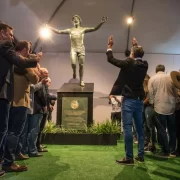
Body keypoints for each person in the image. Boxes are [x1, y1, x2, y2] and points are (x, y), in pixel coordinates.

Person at [0, 22, 41, 176]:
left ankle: (7, 160)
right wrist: (34, 60)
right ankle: (8, 161)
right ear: (2, 33)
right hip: (11, 99)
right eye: (10, 34)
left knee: (6, 131)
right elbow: (34, 78)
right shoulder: (6, 47)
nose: (12, 38)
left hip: (10, 98)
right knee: (10, 132)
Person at [106, 36, 148, 165]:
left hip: (129, 100)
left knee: (127, 128)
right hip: (140, 100)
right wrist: (135, 46)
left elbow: (111, 59)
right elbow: (138, 55)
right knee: (140, 129)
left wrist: (109, 47)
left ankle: (129, 157)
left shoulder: (129, 63)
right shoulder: (145, 64)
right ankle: (140, 155)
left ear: (132, 54)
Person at [47, 15, 107, 87]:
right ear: (72, 22)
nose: (75, 20)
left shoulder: (83, 29)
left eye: (77, 19)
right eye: (74, 20)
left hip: (81, 48)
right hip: (73, 49)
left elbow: (94, 28)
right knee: (73, 64)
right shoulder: (70, 30)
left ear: (79, 21)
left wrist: (101, 23)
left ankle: (81, 80)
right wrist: (49, 27)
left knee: (81, 65)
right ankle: (74, 71)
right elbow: (59, 31)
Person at [148, 65, 177, 157]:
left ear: (156, 70)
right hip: (172, 107)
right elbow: (176, 91)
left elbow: (150, 93)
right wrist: (176, 102)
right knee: (172, 130)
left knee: (161, 130)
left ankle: (165, 151)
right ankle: (172, 150)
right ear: (164, 70)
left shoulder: (152, 79)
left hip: (159, 107)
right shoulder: (171, 78)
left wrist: (152, 103)